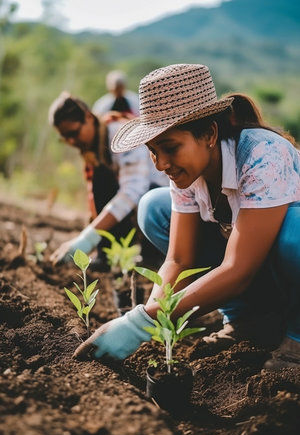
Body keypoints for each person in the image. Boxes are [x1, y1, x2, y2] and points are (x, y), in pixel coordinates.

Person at [73, 63, 300, 370]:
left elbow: (238, 268)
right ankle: (246, 322)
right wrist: (152, 319)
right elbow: (179, 260)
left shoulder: (263, 154)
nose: (160, 164)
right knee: (154, 209)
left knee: (294, 232)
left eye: (169, 148)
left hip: (283, 270)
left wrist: (141, 323)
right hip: (261, 272)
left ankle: (295, 338)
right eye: (153, 151)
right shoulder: (188, 170)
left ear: (208, 133)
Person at [48, 91, 168, 268]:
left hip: (160, 203)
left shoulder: (119, 135)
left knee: (147, 195)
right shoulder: (94, 146)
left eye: (74, 133)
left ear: (88, 118)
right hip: (135, 207)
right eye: (65, 138)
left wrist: (87, 237)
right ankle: (106, 254)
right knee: (101, 177)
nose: (72, 141)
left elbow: (133, 191)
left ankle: (153, 255)